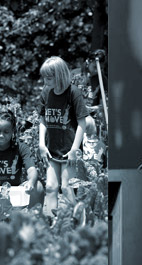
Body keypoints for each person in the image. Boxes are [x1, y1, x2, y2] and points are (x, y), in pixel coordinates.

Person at [38, 56, 94, 214]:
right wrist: (41, 144)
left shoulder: (73, 93)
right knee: (50, 187)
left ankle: (75, 224)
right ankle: (50, 226)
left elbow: (82, 122)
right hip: (51, 149)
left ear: (60, 75)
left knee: (67, 188)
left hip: (70, 150)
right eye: (44, 77)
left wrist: (75, 149)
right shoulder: (46, 93)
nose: (45, 81)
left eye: (49, 78)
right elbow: (42, 119)